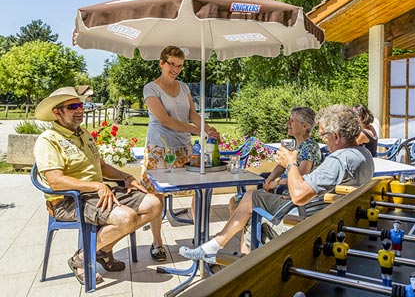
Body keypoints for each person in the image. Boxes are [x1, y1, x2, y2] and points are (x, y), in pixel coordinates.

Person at [179, 104, 375, 263]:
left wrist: (290, 164)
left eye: (325, 136)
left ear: (337, 136)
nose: (324, 140)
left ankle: (229, 259)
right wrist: (279, 173)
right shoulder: (364, 155)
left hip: (308, 222)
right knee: (249, 203)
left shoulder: (339, 160)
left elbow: (299, 195)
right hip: (330, 220)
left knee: (250, 202)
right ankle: (227, 256)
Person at [33, 87, 162, 286]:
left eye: (81, 105)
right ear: (56, 112)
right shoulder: (48, 140)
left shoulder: (83, 133)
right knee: (126, 217)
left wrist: (126, 176)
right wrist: (96, 186)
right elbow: (55, 181)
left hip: (97, 192)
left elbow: (101, 165)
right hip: (68, 200)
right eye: (72, 106)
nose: (80, 110)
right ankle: (82, 258)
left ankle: (102, 250)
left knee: (154, 204)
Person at [140, 45, 219, 261]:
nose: (175, 69)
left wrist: (207, 127)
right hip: (160, 147)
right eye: (172, 64)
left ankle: (198, 235)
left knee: (197, 189)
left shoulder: (183, 87)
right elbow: (165, 120)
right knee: (157, 195)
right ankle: (157, 243)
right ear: (161, 63)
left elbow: (193, 114)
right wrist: (197, 130)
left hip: (184, 146)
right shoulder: (151, 88)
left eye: (180, 65)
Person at [262, 107, 321, 194]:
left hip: (290, 194)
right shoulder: (294, 145)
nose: (288, 123)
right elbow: (282, 165)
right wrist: (269, 179)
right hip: (283, 188)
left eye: (292, 121)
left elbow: (300, 177)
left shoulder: (309, 147)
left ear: (305, 126)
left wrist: (277, 183)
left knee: (248, 197)